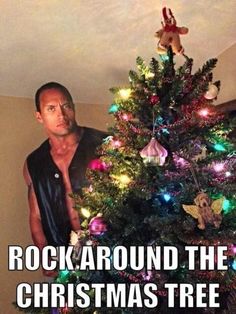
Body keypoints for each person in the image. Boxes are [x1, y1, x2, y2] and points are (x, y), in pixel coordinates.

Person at [23, 82, 106, 276]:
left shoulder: (104, 144)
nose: (61, 114)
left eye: (66, 106)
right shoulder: (34, 162)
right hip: (67, 259)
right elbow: (35, 215)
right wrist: (44, 255)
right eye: (51, 109)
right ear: (39, 116)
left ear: (73, 108)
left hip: (113, 249)